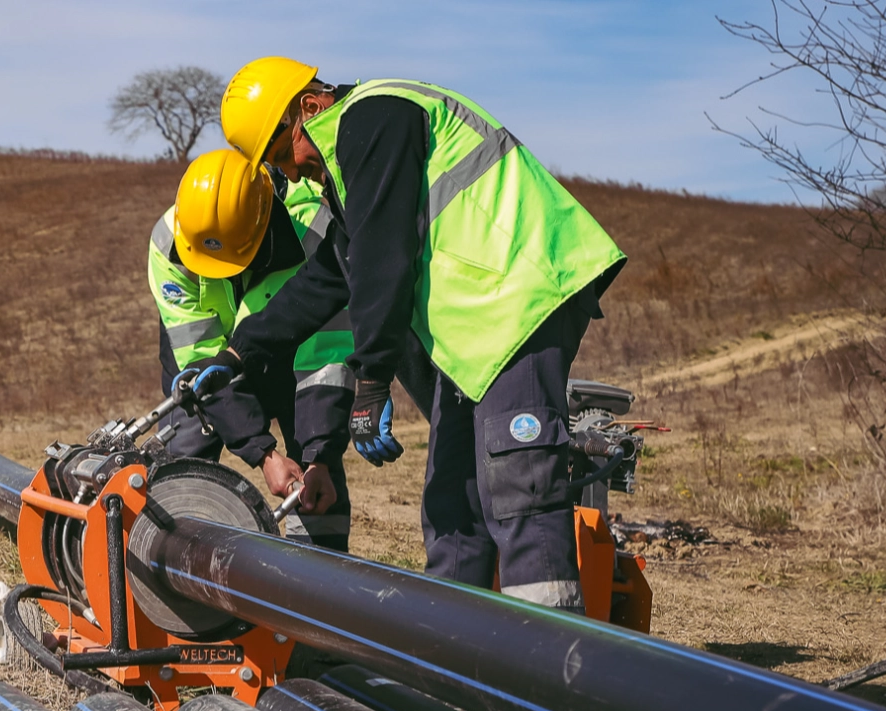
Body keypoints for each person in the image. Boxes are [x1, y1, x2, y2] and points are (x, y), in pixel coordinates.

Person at [204, 58, 626, 612]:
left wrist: (373, 377)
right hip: (474, 330)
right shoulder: (353, 156)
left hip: (518, 297)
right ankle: (451, 666)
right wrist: (238, 354)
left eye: (284, 155)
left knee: (520, 487)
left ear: (307, 108)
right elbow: (333, 274)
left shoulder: (373, 118)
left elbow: (383, 255)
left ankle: (548, 676)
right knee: (452, 502)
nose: (294, 173)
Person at [149, 148, 361, 550]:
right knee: (178, 474)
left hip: (295, 361)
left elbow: (325, 360)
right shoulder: (169, 243)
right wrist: (262, 453)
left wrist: (319, 454)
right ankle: (170, 569)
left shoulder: (314, 231)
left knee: (318, 485)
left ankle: (321, 586)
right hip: (209, 367)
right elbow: (199, 360)